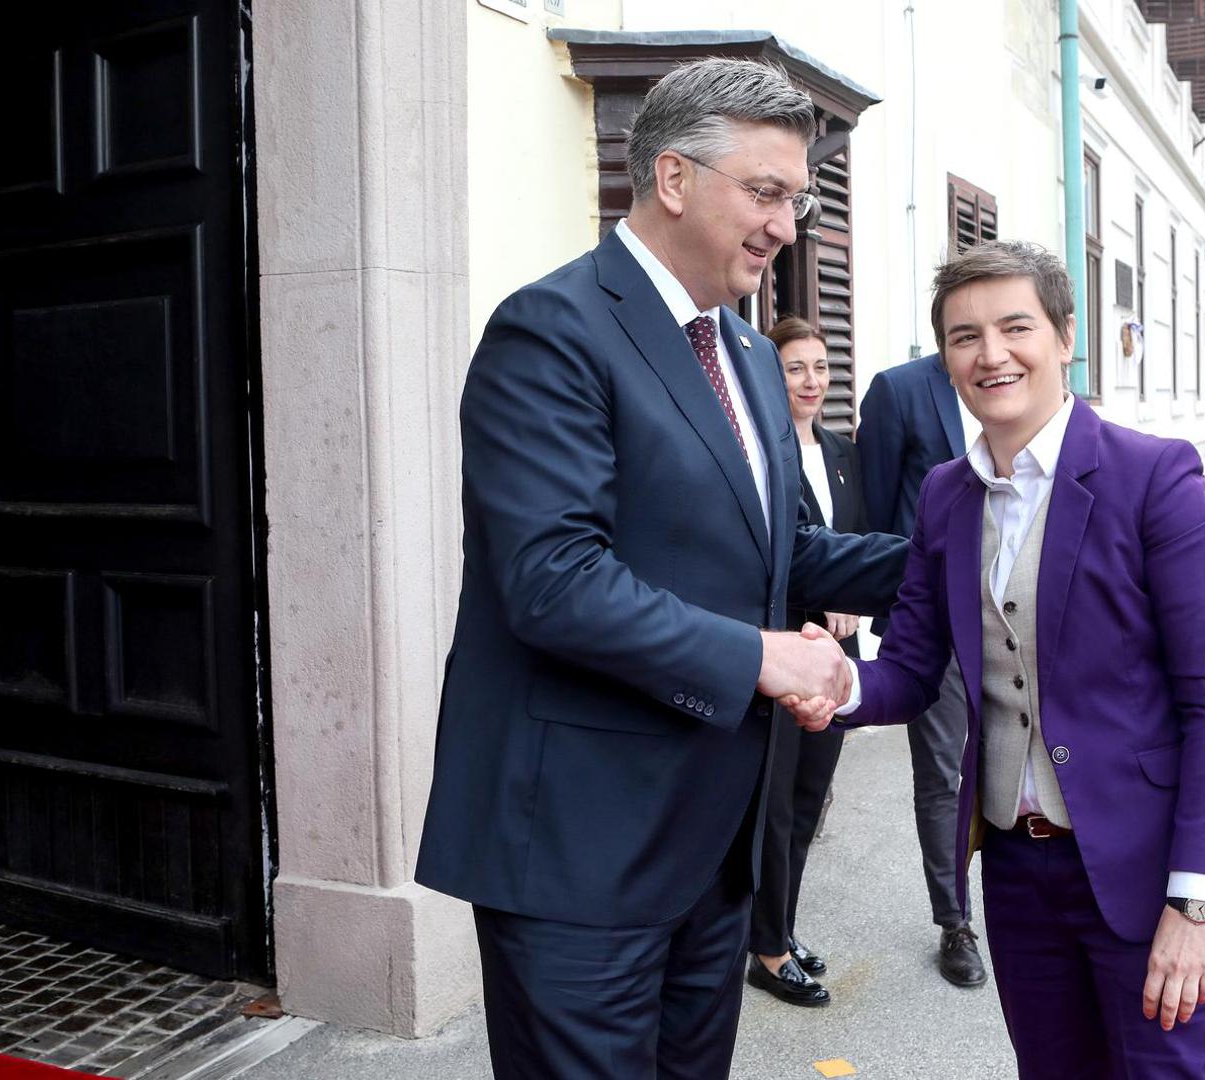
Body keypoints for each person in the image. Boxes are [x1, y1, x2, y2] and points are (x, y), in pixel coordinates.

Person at [414, 59, 907, 1079]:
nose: (787, 226)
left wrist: (968, 557)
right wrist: (762, 658)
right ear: (674, 178)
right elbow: (553, 579)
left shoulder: (747, 354)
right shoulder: (550, 329)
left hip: (712, 849)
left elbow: (780, 551)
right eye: (766, 193)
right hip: (577, 853)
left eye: (798, 199)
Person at [789, 240, 1205, 1077]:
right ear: (946, 359)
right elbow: (912, 669)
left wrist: (1197, 903)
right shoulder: (947, 495)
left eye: (1015, 327)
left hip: (1149, 868)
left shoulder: (1154, 478)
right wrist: (838, 680)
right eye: (964, 336)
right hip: (1018, 869)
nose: (991, 354)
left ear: (1064, 336)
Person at [857, 350, 989, 988]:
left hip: (1026, 616)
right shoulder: (900, 390)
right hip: (940, 621)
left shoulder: (1022, 383)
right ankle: (954, 920)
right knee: (941, 774)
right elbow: (877, 510)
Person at [746, 317, 867, 1008]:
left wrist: (852, 603)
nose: (812, 380)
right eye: (796, 367)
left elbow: (855, 540)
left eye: (821, 366)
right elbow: (775, 553)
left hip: (838, 651)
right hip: (785, 646)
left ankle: (782, 929)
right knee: (776, 805)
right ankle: (767, 950)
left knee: (808, 800)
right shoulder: (762, 450)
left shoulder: (844, 452)